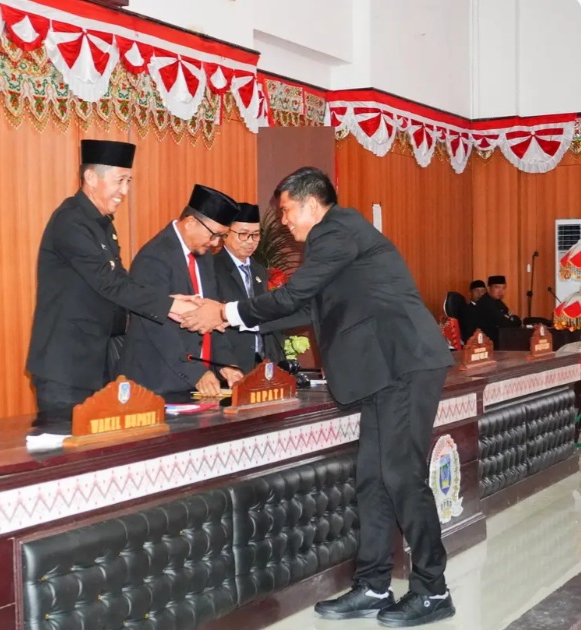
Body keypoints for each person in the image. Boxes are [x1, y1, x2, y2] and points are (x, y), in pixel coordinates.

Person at [177, 167, 456, 627]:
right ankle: (373, 585)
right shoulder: (338, 239)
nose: (284, 221)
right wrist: (225, 319)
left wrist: (224, 310)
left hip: (403, 363)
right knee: (372, 478)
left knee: (402, 477)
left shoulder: (336, 230)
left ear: (310, 204)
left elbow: (296, 295)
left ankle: (433, 589)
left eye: (287, 210)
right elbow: (307, 306)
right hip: (382, 370)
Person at [26, 140, 195, 423]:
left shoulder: (102, 223)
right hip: (66, 367)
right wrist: (169, 306)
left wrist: (170, 301)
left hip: (97, 363)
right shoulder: (70, 221)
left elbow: (120, 279)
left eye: (129, 182)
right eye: (120, 181)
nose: (125, 191)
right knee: (68, 447)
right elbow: (108, 283)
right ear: (91, 177)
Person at [118, 184, 244, 398]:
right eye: (214, 235)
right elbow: (157, 327)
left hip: (194, 381)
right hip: (156, 383)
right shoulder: (154, 256)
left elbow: (211, 314)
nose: (215, 243)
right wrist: (196, 372)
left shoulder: (204, 256)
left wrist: (226, 364)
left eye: (221, 237)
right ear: (191, 222)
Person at [213, 202, 285, 373]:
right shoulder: (212, 267)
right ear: (225, 234)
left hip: (263, 363)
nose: (251, 241)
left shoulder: (259, 269)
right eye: (243, 234)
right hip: (230, 365)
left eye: (256, 235)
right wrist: (225, 364)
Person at [473, 275, 521, 346]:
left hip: (500, 339)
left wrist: (511, 318)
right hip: (487, 343)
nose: (500, 291)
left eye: (503, 288)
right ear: (489, 288)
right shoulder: (485, 302)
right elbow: (503, 322)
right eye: (497, 287)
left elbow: (516, 321)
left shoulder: (498, 301)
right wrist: (511, 318)